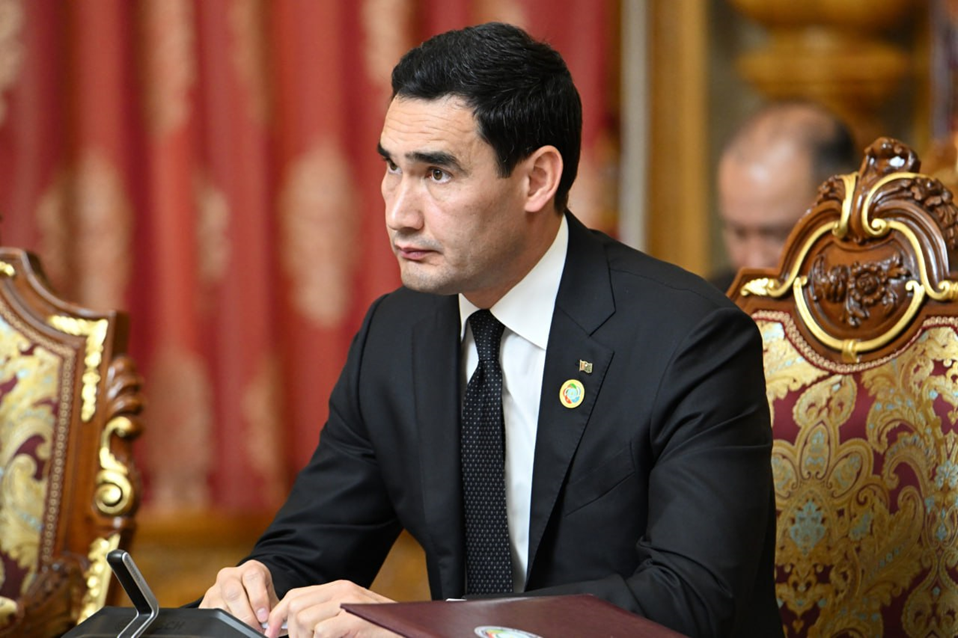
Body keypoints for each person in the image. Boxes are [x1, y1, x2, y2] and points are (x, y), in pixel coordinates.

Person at [200, 22, 782, 638]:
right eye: (392, 167)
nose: (399, 213)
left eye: (437, 174)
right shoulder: (395, 335)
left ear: (537, 180)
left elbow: (690, 598)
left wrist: (433, 630)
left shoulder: (688, 340)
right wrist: (256, 586)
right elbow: (313, 548)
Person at [712, 101, 858, 292]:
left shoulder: (887, 299)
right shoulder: (708, 304)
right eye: (739, 233)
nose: (755, 262)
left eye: (778, 235)